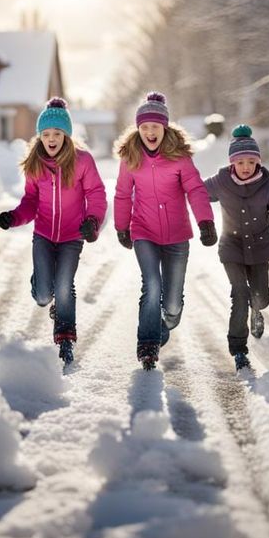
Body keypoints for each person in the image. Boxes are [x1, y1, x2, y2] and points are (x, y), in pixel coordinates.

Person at [0, 98, 107, 367]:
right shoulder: (35, 164)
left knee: (65, 287)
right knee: (45, 295)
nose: (52, 139)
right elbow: (31, 202)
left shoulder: (82, 161)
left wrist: (92, 221)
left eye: (57, 134)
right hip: (44, 235)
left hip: (72, 236)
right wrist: (13, 218)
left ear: (66, 136)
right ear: (40, 137)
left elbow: (97, 194)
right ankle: (41, 284)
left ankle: (65, 339)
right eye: (46, 134)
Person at [112, 90, 216, 369]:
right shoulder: (130, 157)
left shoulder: (180, 157)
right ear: (138, 129)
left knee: (172, 306)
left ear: (164, 127)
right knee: (151, 284)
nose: (149, 132)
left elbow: (195, 189)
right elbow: (122, 194)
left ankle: (163, 326)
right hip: (143, 231)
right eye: (144, 127)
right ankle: (147, 345)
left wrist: (205, 222)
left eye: (154, 127)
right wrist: (122, 226)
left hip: (177, 236)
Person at [202, 124, 269, 371]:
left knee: (261, 296)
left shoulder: (268, 189)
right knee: (240, 293)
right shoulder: (221, 182)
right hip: (231, 247)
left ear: (258, 162)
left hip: (260, 249)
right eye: (240, 162)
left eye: (251, 161)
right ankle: (239, 349)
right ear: (232, 164)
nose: (246, 167)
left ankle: (257, 311)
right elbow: (195, 191)